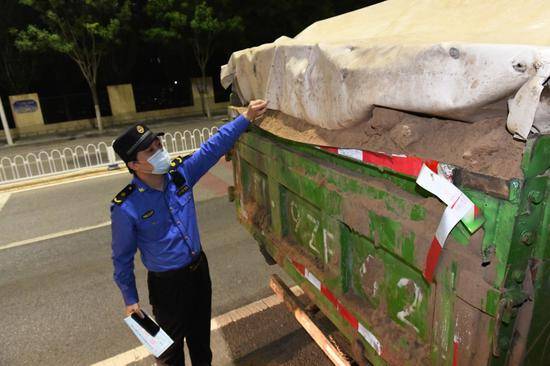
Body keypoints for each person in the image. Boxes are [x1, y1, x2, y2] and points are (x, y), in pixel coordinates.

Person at [110, 100, 268, 366]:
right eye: (150, 151)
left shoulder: (180, 175)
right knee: (170, 355)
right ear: (134, 165)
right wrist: (131, 301)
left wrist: (247, 117)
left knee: (201, 346)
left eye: (159, 145)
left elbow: (212, 147)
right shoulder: (126, 207)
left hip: (198, 272)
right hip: (167, 285)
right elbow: (121, 258)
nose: (160, 151)